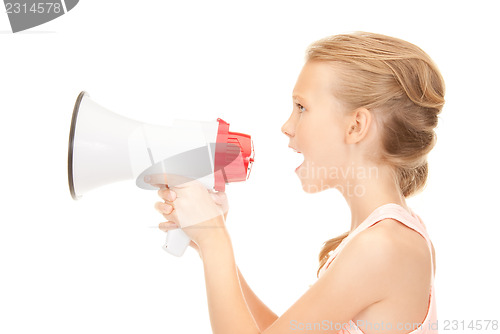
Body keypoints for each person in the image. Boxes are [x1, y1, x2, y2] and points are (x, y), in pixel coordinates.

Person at [152, 31, 445, 334]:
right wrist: (208, 237)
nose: (287, 126)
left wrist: (215, 241)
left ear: (356, 126)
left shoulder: (382, 246)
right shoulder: (389, 236)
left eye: (301, 108)